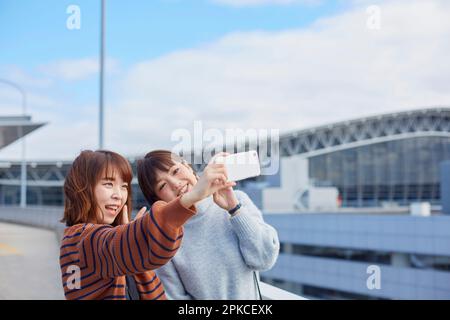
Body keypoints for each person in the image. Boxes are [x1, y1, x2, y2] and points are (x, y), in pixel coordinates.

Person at [59, 150, 233, 300]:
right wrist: (193, 195)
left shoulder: (77, 241)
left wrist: (129, 234)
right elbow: (110, 245)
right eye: (108, 184)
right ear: (83, 188)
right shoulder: (81, 240)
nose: (119, 195)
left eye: (124, 186)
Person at [137, 150, 280, 300]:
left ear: (188, 166)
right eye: (162, 185)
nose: (175, 184)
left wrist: (235, 209)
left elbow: (265, 259)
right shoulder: (164, 237)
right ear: (158, 200)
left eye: (176, 171)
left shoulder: (237, 199)